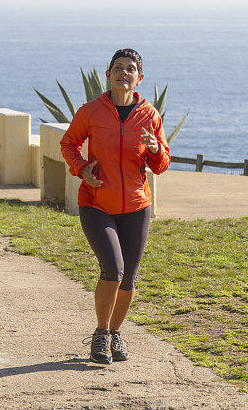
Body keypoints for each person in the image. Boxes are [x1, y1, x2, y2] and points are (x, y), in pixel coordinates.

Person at [60, 47, 171, 364]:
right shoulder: (91, 111)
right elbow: (69, 143)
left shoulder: (149, 115)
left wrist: (155, 150)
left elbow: (161, 164)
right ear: (108, 75)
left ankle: (115, 333)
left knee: (129, 278)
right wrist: (81, 168)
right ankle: (100, 335)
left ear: (140, 78)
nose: (124, 73)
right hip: (96, 203)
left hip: (136, 207)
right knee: (113, 271)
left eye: (130, 69)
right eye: (118, 68)